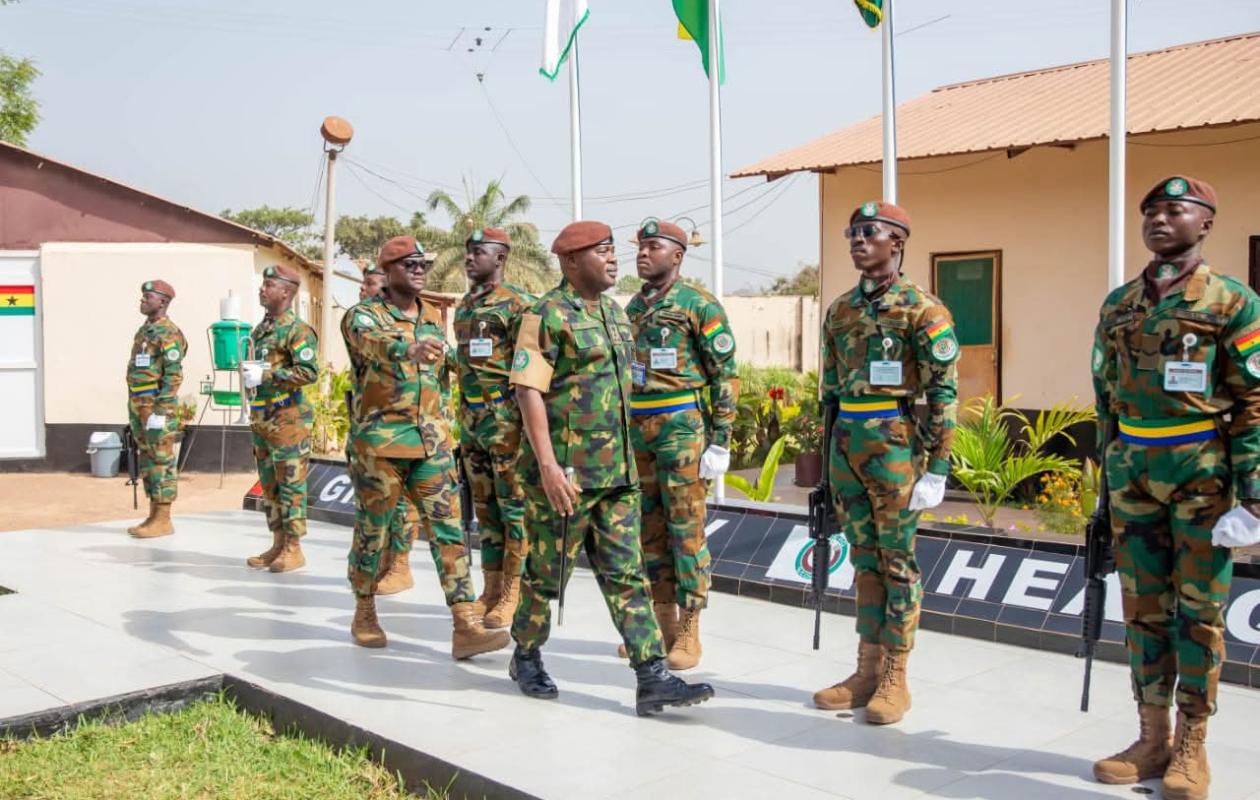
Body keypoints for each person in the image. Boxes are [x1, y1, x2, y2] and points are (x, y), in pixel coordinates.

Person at [1091, 176, 1260, 800]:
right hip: (1132, 469)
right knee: (1143, 610)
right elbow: (1104, 395)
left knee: (1199, 614)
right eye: (1151, 211)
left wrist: (1254, 496)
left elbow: (1254, 401)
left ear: (1206, 222)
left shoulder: (1232, 302)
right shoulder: (1119, 303)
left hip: (1201, 474)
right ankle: (1151, 734)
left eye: (1175, 209)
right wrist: (1105, 480)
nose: (1159, 219)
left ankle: (1193, 743)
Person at [506, 220, 714, 716]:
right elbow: (527, 389)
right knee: (546, 575)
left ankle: (651, 675)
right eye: (602, 251)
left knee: (628, 573)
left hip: (618, 474)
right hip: (569, 477)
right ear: (571, 261)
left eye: (612, 250)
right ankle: (526, 654)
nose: (614, 258)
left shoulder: (618, 317)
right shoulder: (546, 315)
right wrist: (550, 467)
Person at [813, 201, 958, 725]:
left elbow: (944, 392)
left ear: (896, 241)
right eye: (852, 231)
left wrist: (939, 465)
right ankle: (865, 669)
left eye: (869, 232)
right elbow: (828, 390)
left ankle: (896, 675)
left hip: (895, 442)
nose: (857, 240)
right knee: (864, 559)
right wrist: (829, 452)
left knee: (897, 563)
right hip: (847, 443)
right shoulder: (840, 309)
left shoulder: (923, 309)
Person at [341, 235, 508, 659]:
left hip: (431, 443)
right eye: (410, 263)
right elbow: (375, 345)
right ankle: (364, 610)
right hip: (381, 445)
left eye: (424, 264)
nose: (420, 269)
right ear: (389, 269)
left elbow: (450, 363)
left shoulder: (433, 316)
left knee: (451, 534)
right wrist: (407, 348)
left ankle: (465, 625)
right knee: (372, 533)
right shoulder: (363, 316)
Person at [623, 218, 738, 669]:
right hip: (639, 427)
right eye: (640, 246)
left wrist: (721, 440)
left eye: (653, 246)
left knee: (685, 528)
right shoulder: (633, 307)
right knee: (647, 529)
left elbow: (724, 374)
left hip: (681, 426)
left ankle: (690, 629)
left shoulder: (698, 305)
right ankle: (662, 623)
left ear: (678, 254)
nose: (643, 253)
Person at [453, 228, 534, 627]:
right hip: (472, 421)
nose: (469, 259)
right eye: (467, 252)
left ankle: (513, 591)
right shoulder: (465, 306)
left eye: (478, 252)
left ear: (499, 258)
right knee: (484, 509)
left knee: (513, 508)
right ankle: (491, 585)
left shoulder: (518, 306)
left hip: (506, 421)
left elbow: (531, 368)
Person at [350, 263, 425, 594]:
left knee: (403, 502)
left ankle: (400, 564)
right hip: (369, 426)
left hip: (406, 428)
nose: (364, 290)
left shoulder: (416, 321)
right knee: (374, 503)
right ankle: (381, 562)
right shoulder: (361, 321)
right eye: (365, 284)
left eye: (371, 284)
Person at [242, 264, 320, 573]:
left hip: (288, 418)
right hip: (263, 417)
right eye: (263, 283)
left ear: (286, 292)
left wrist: (267, 373)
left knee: (291, 485)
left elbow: (308, 372)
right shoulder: (260, 329)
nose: (262, 289)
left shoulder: (297, 330)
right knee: (269, 485)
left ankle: (294, 547)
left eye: (269, 285)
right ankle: (277, 541)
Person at [125, 280, 188, 538]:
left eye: (147, 296)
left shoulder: (169, 333)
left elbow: (173, 375)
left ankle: (163, 518)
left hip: (156, 405)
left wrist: (160, 413)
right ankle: (153, 516)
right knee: (148, 460)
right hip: (139, 403)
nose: (142, 300)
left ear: (162, 302)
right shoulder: (145, 330)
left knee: (161, 460)